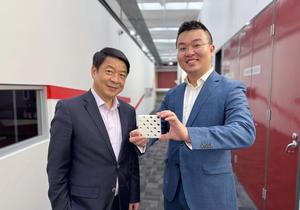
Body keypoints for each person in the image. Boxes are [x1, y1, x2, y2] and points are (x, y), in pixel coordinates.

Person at [130, 20, 256, 210]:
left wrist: (189, 135)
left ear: (211, 49)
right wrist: (144, 139)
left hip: (210, 194)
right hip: (173, 190)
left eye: (196, 45)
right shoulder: (173, 94)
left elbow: (244, 132)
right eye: (182, 48)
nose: (189, 52)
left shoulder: (230, 89)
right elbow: (159, 127)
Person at [47, 47, 140, 210]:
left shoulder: (128, 111)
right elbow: (56, 168)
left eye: (122, 75)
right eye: (110, 71)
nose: (115, 79)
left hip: (121, 200)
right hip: (84, 204)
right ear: (94, 71)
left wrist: (133, 194)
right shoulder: (69, 109)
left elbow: (130, 158)